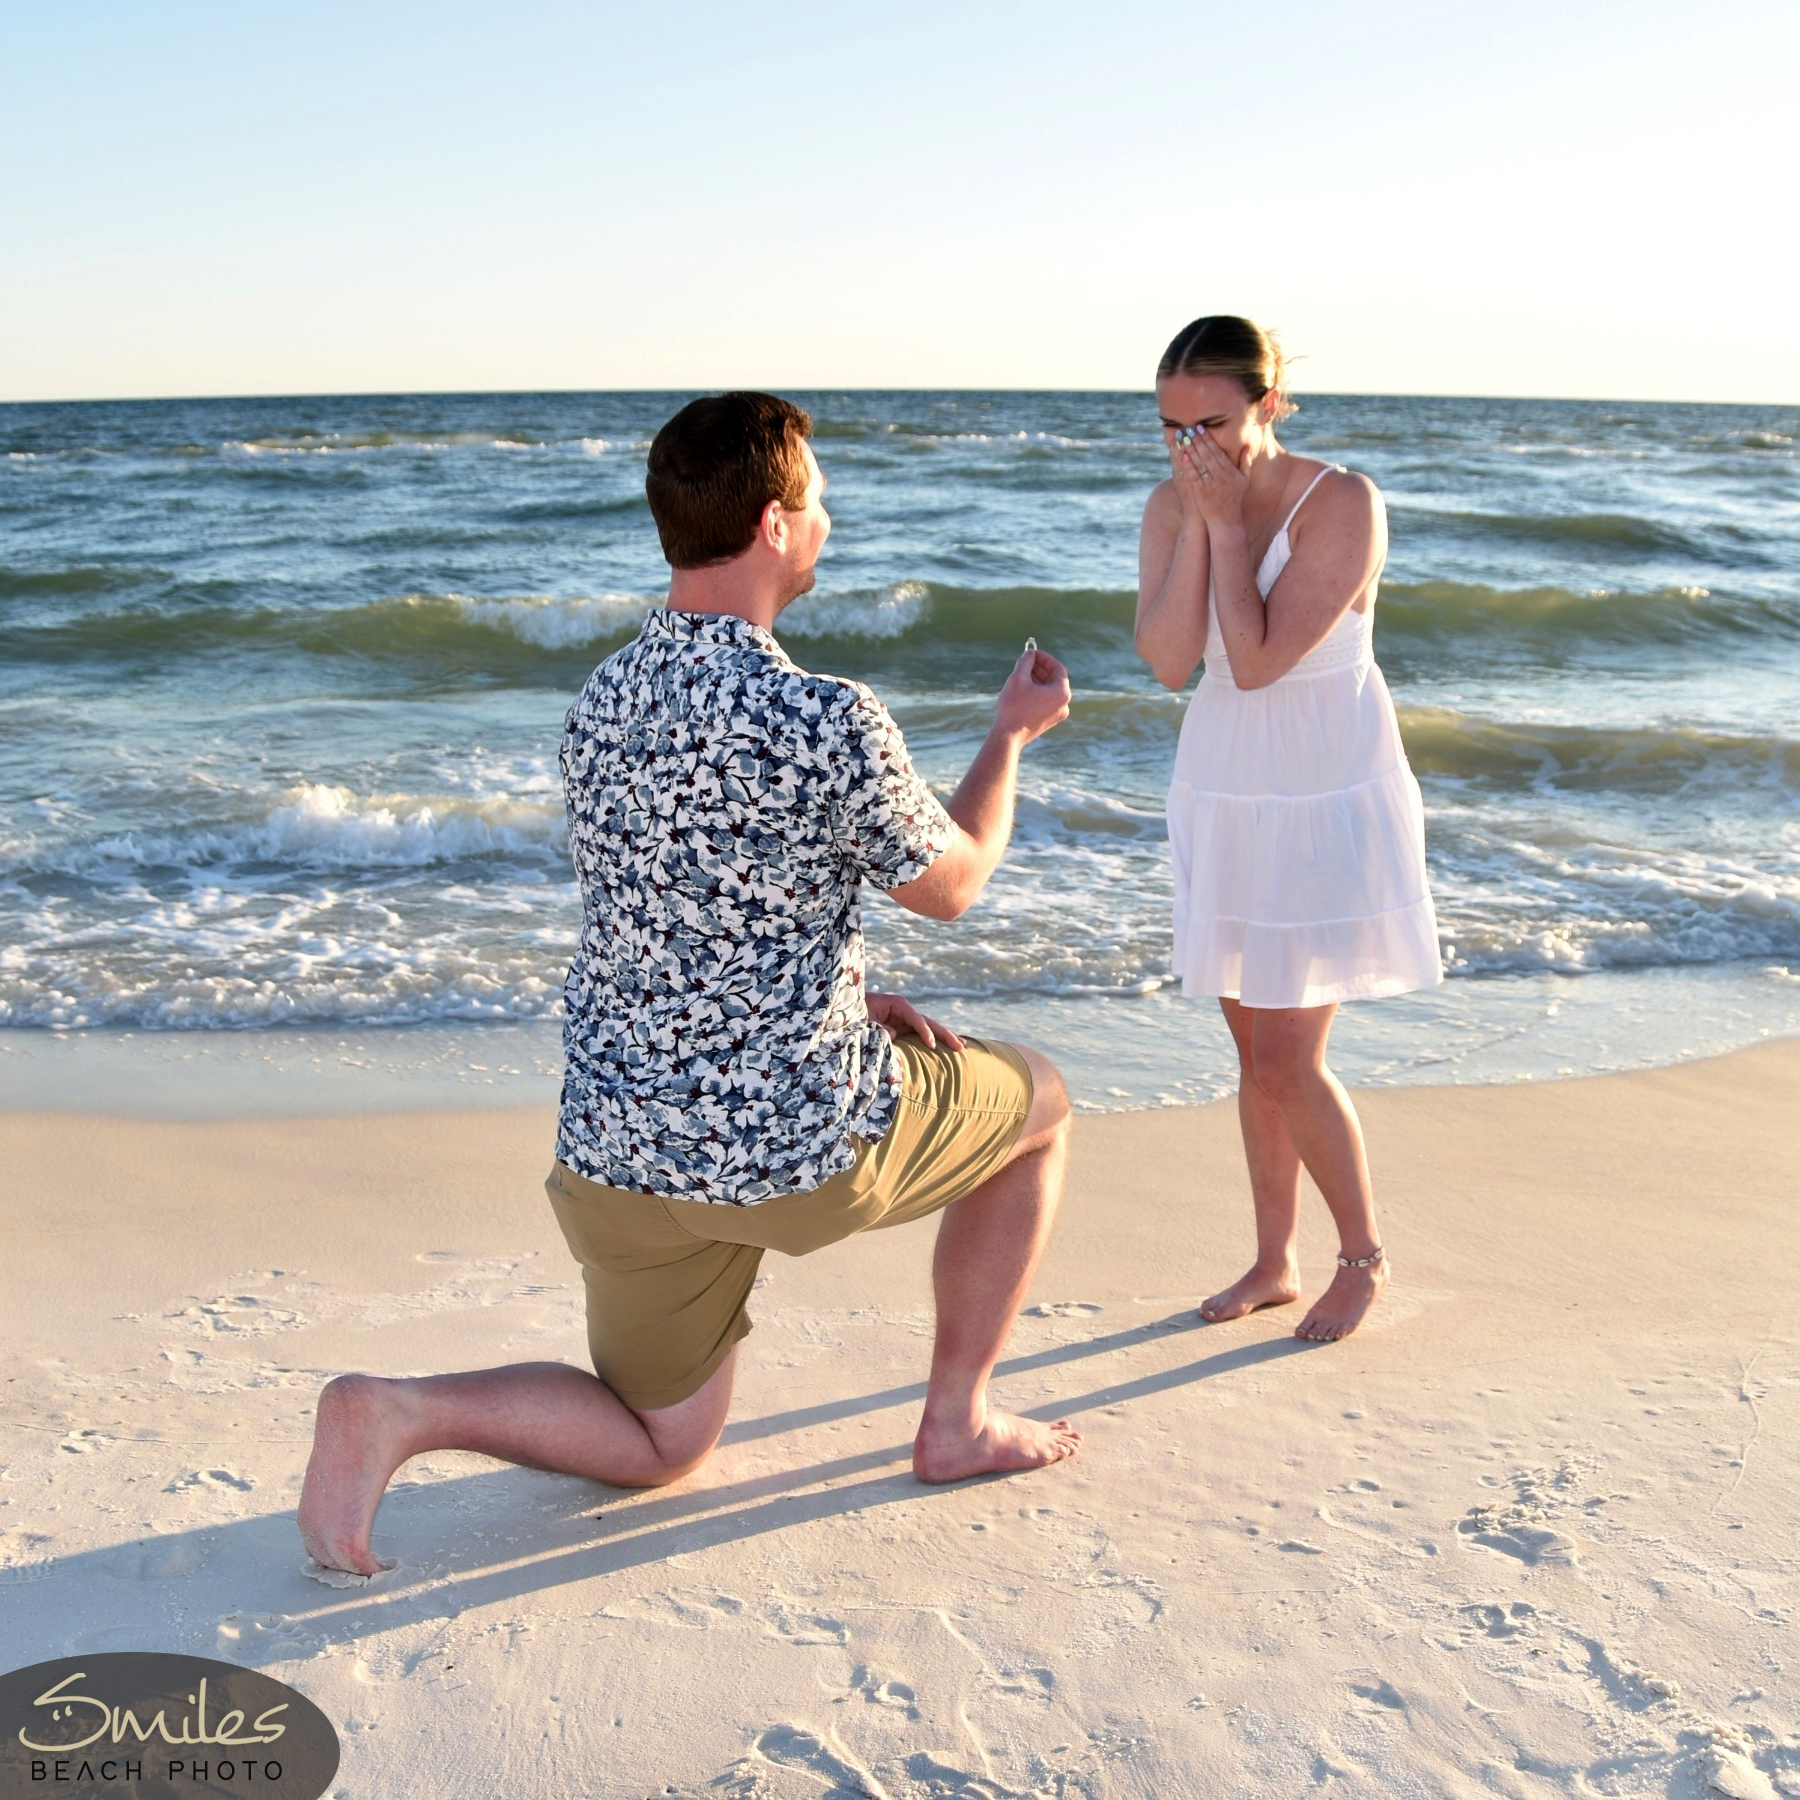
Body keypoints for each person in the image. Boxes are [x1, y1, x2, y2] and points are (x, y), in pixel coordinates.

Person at [299, 392, 1079, 1576]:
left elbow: (675, 908)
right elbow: (953, 884)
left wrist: (843, 991)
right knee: (1045, 1106)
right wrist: (1009, 737)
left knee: (665, 1441)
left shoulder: (599, 704)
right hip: (793, 1143)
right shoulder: (828, 716)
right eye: (816, 500)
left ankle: (401, 1410)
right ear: (774, 524)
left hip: (617, 1145)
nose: (826, 519)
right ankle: (959, 1420)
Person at [1134, 317, 1442, 1344]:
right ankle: (1275, 1259)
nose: (1193, 450)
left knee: (1286, 1058)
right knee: (1249, 1046)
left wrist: (1220, 529)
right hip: (1224, 780)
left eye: (1212, 423)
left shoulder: (1342, 501)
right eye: (1172, 428)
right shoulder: (1168, 503)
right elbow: (1175, 660)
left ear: (1268, 402)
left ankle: (1364, 1256)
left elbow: (1261, 659)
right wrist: (1193, 519)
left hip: (1321, 783)